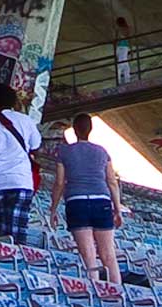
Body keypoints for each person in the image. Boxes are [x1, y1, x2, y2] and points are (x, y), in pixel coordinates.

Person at [50, 113, 123, 283]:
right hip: (101, 201)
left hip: (77, 201)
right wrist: (118, 209)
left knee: (89, 255)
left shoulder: (64, 152)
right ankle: (118, 291)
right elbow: (112, 181)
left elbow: (59, 182)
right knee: (108, 254)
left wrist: (53, 209)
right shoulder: (102, 152)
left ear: (74, 130)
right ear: (90, 129)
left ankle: (95, 288)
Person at [0, 84, 41, 244]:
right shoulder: (26, 121)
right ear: (14, 101)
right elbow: (36, 147)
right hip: (20, 181)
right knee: (15, 238)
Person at [115, 17, 132, 84]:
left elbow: (117, 40)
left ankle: (120, 81)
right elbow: (128, 39)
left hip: (121, 47)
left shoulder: (119, 30)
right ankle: (126, 80)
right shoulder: (127, 29)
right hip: (124, 47)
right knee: (124, 64)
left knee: (121, 64)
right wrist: (130, 49)